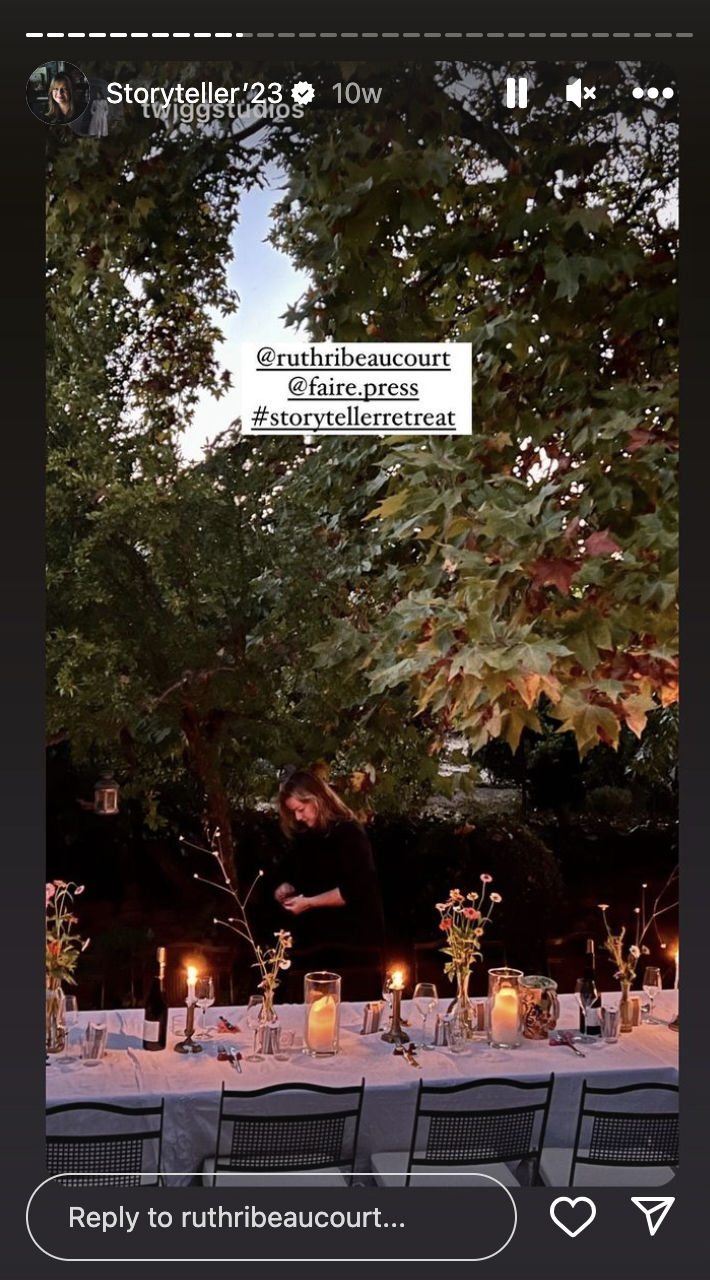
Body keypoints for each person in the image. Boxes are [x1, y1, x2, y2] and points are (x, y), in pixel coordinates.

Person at [274, 770, 385, 997]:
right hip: (317, 943)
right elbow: (303, 875)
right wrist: (286, 887)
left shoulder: (349, 833)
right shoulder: (309, 835)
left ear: (316, 799)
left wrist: (310, 903)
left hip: (353, 945)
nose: (298, 817)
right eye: (294, 812)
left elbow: (355, 890)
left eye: (300, 810)